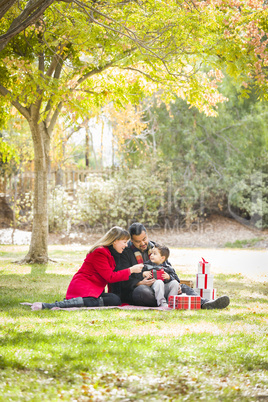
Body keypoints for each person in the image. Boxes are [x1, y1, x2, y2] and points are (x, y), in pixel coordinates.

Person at [110, 222, 230, 310]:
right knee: (142, 292)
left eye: (144, 239)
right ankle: (171, 300)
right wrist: (138, 283)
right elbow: (121, 278)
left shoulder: (156, 248)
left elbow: (171, 271)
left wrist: (171, 279)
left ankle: (206, 303)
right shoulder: (125, 252)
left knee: (182, 286)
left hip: (165, 287)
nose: (143, 243)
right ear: (131, 240)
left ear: (147, 234)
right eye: (138, 241)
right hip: (142, 289)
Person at [41, 226, 143, 309]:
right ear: (115, 241)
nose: (126, 245)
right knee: (113, 300)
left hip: (94, 290)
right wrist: (131, 270)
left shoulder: (111, 253)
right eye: (124, 242)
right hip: (83, 288)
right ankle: (65, 304)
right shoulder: (100, 252)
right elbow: (110, 277)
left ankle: (80, 302)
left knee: (114, 299)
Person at [134, 243, 180, 308]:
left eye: (154, 254)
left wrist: (169, 277)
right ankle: (162, 303)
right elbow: (136, 275)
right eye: (151, 253)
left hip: (165, 289)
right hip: (152, 290)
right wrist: (143, 274)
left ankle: (171, 303)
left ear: (162, 258)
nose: (151, 255)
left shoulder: (168, 267)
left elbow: (177, 280)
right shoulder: (146, 265)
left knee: (175, 283)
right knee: (159, 282)